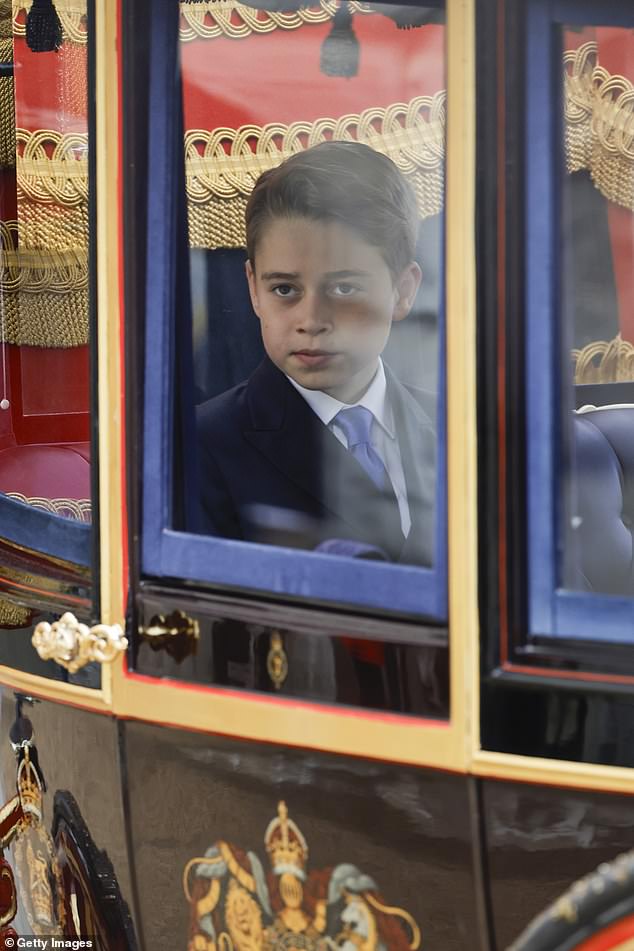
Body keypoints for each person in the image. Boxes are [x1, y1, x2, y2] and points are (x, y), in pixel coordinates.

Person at [196, 140, 436, 566]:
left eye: (344, 288)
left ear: (403, 291)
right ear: (253, 289)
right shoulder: (197, 448)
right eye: (284, 289)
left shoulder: (464, 430)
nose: (311, 319)